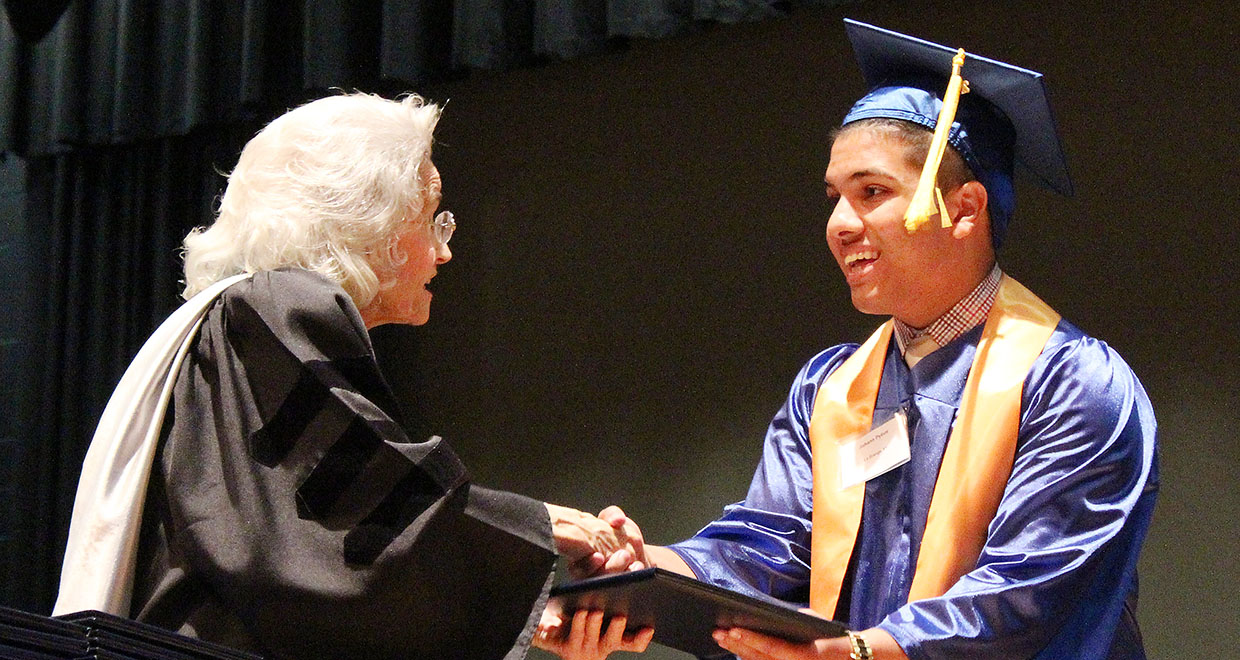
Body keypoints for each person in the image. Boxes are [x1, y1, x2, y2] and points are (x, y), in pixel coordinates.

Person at [578, 20, 1159, 660]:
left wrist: (860, 652)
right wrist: (644, 572)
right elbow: (766, 549)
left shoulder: (1072, 383)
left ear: (965, 209)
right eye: (834, 197)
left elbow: (1026, 597)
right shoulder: (829, 388)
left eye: (872, 192)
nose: (839, 225)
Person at [54, 92, 642, 660]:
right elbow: (352, 523)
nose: (444, 252)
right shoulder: (280, 305)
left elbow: (296, 565)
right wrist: (543, 527)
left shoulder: (236, 320)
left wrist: (535, 617)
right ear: (366, 219)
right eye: (431, 219)